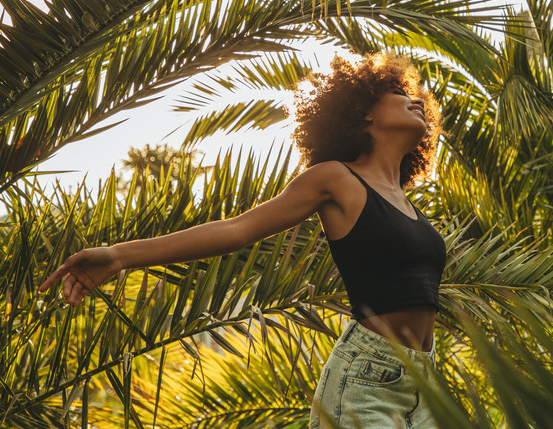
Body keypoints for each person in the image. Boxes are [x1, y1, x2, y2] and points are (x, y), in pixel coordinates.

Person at [39, 52, 447, 428]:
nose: (414, 100)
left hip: (424, 380)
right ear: (363, 115)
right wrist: (118, 256)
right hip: (367, 378)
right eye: (397, 93)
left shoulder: (408, 205)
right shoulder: (336, 178)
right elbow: (238, 229)